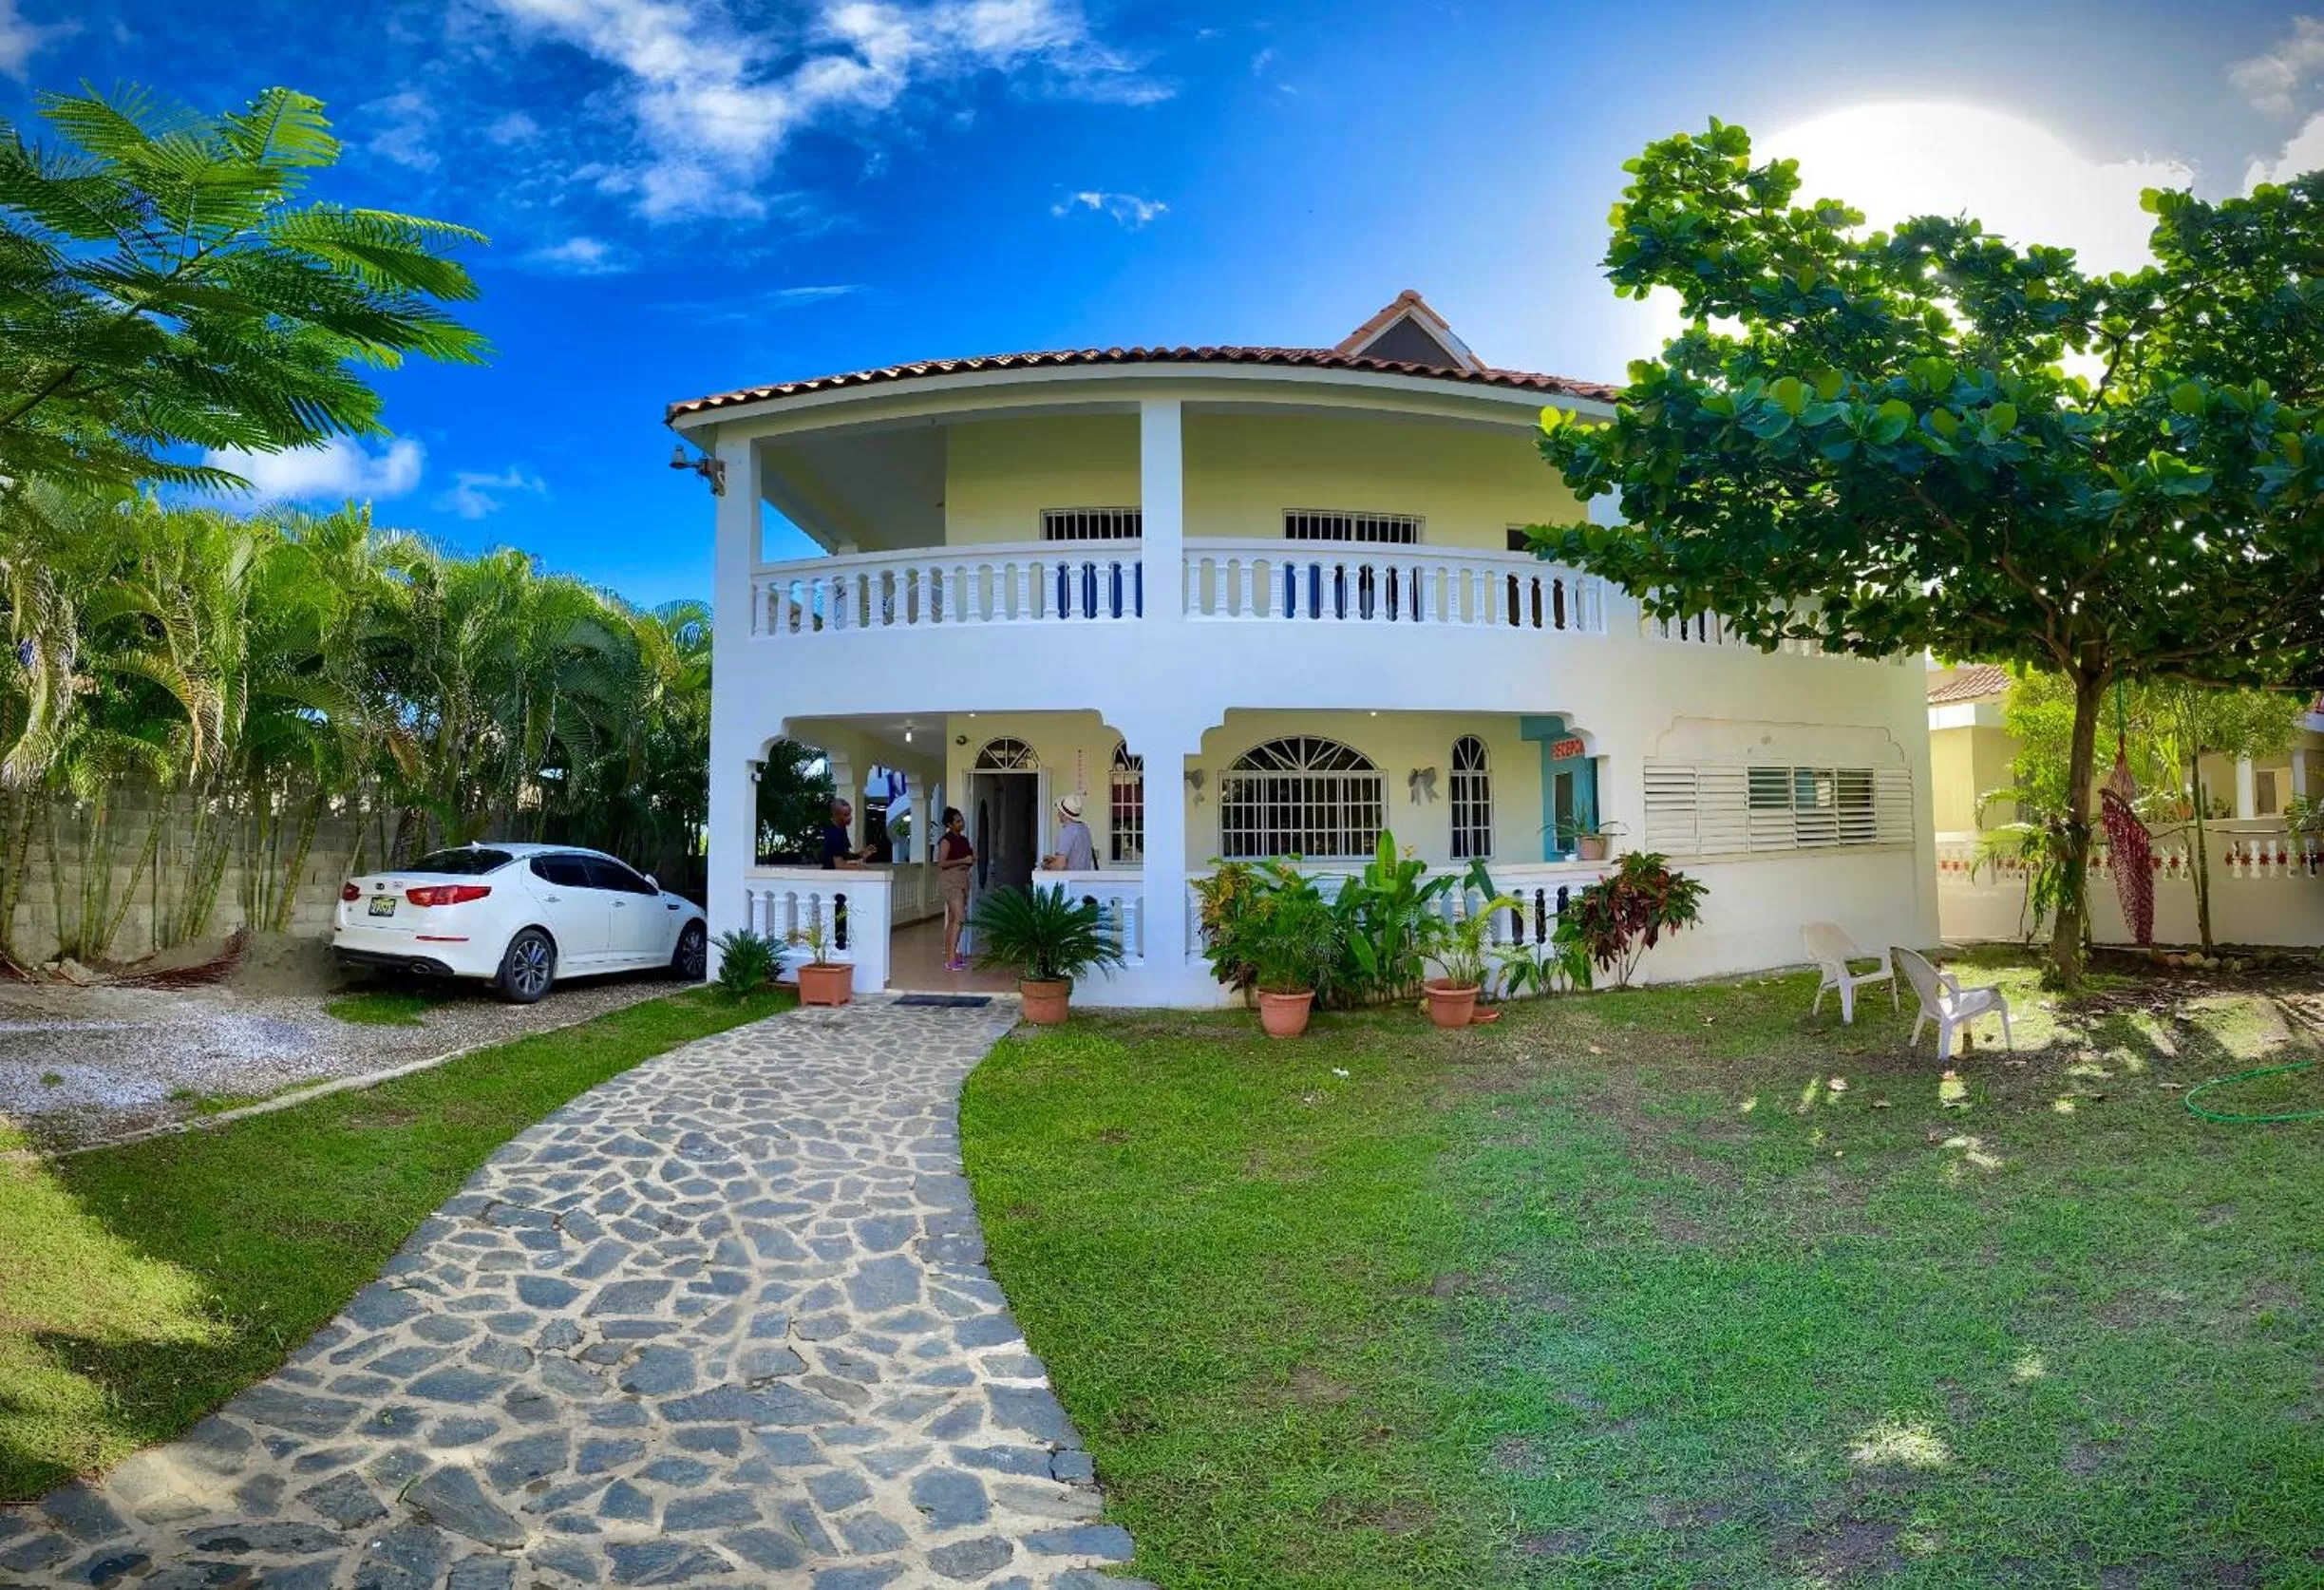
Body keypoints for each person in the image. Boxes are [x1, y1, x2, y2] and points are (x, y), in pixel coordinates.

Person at [936, 806, 975, 972]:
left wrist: (971, 859)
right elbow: (941, 863)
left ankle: (951, 955)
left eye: (962, 820)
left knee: (954, 919)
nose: (962, 823)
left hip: (963, 878)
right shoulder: (946, 840)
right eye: (958, 821)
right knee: (959, 917)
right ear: (950, 824)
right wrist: (962, 860)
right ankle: (951, 958)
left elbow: (969, 859)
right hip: (950, 879)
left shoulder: (964, 840)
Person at [1042, 793, 1097, 873]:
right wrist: (1054, 859)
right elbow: (1077, 858)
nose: (1058, 814)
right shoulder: (1084, 828)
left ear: (1064, 814)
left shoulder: (1068, 831)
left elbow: (1060, 865)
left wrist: (1045, 866)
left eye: (1059, 811)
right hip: (1084, 879)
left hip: (1071, 881)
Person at [821, 799, 873, 869]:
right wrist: (861, 868)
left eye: (850, 814)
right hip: (831, 877)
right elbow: (839, 866)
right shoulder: (834, 835)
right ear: (836, 816)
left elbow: (844, 854)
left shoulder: (842, 829)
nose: (850, 818)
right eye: (845, 815)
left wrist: (860, 854)